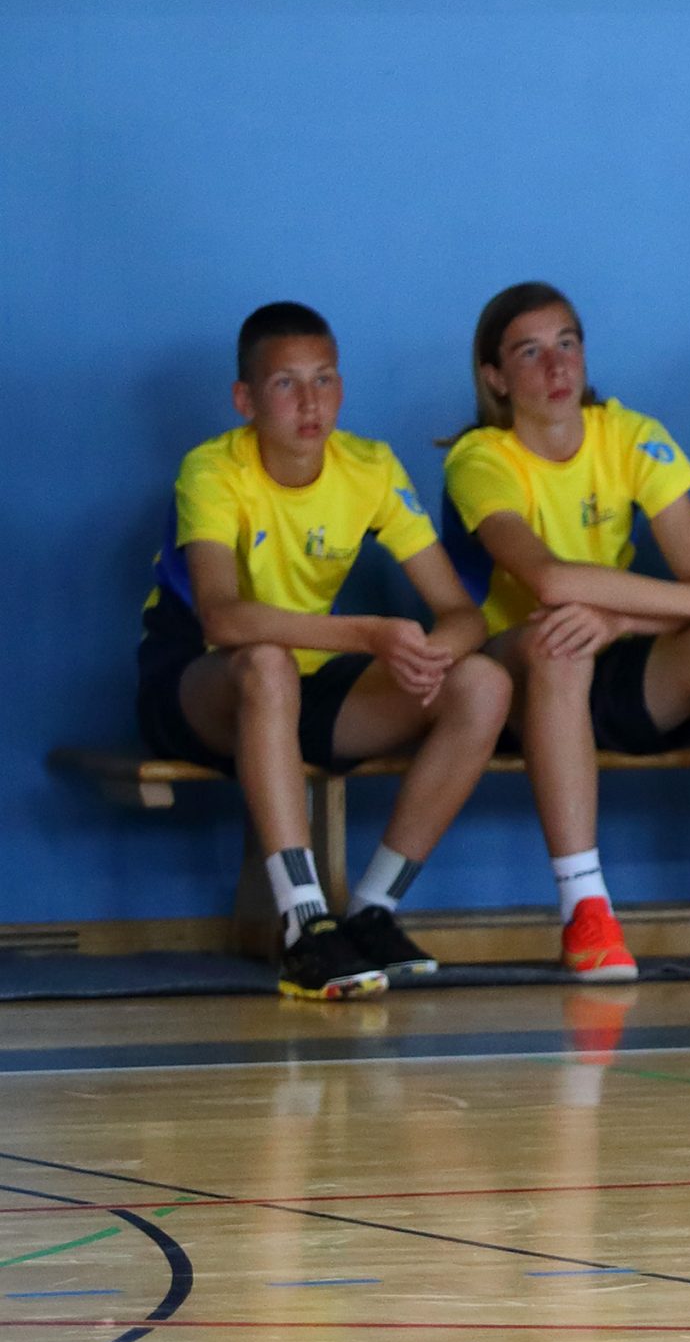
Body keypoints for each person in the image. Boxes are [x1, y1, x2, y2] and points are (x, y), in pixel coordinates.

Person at [138, 302, 512, 998]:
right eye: (286, 384)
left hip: (307, 682)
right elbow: (222, 616)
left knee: (483, 683)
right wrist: (369, 635)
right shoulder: (211, 469)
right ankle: (303, 923)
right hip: (199, 685)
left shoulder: (369, 466)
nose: (310, 403)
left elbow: (462, 613)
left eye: (325, 379)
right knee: (266, 663)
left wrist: (433, 654)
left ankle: (372, 911)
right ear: (245, 400)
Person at [442, 282, 690, 983]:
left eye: (567, 343)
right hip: (516, 674)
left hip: (617, 650)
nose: (557, 366)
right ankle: (586, 911)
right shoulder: (479, 457)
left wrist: (622, 618)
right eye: (530, 352)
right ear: (495, 377)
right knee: (559, 640)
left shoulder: (631, 433)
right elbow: (549, 580)